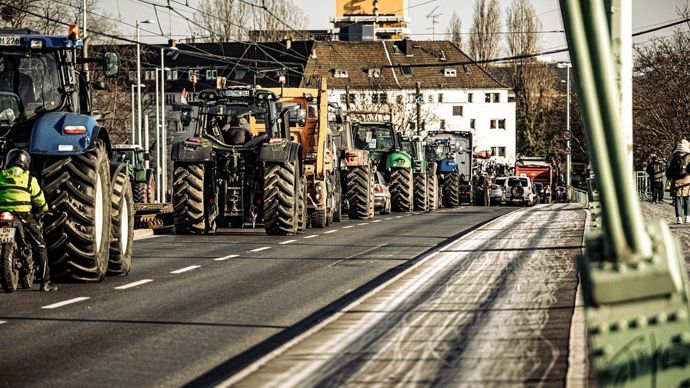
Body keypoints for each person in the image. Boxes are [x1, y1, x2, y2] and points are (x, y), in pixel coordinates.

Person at [0, 149, 57, 291]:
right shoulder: (29, 178)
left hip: (3, 214)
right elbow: (39, 199)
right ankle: (46, 282)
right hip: (23, 216)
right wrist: (44, 209)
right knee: (40, 245)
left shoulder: (0, 175)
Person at [667, 139, 690, 224]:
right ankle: (687, 217)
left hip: (676, 180)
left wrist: (669, 178)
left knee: (677, 199)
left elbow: (668, 168)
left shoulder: (674, 156)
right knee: (687, 198)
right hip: (687, 179)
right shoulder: (689, 156)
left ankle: (678, 218)